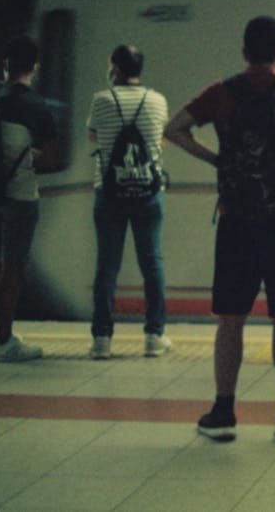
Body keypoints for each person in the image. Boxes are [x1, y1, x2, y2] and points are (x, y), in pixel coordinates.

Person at [165, 16, 275, 442]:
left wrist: (217, 160)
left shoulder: (222, 92)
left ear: (244, 53)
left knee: (231, 319)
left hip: (235, 221)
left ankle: (222, 412)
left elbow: (174, 130)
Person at [87, 44, 171, 359]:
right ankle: (154, 335)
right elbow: (160, 138)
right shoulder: (157, 100)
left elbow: (93, 136)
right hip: (149, 193)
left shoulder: (101, 100)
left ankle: (102, 340)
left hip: (108, 193)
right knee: (152, 263)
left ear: (116, 68)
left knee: (107, 266)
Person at [0, 35, 59, 363]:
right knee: (13, 267)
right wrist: (32, 155)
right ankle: (3, 341)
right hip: (21, 194)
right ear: (35, 67)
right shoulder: (35, 106)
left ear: (5, 64)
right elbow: (51, 160)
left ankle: (2, 335)